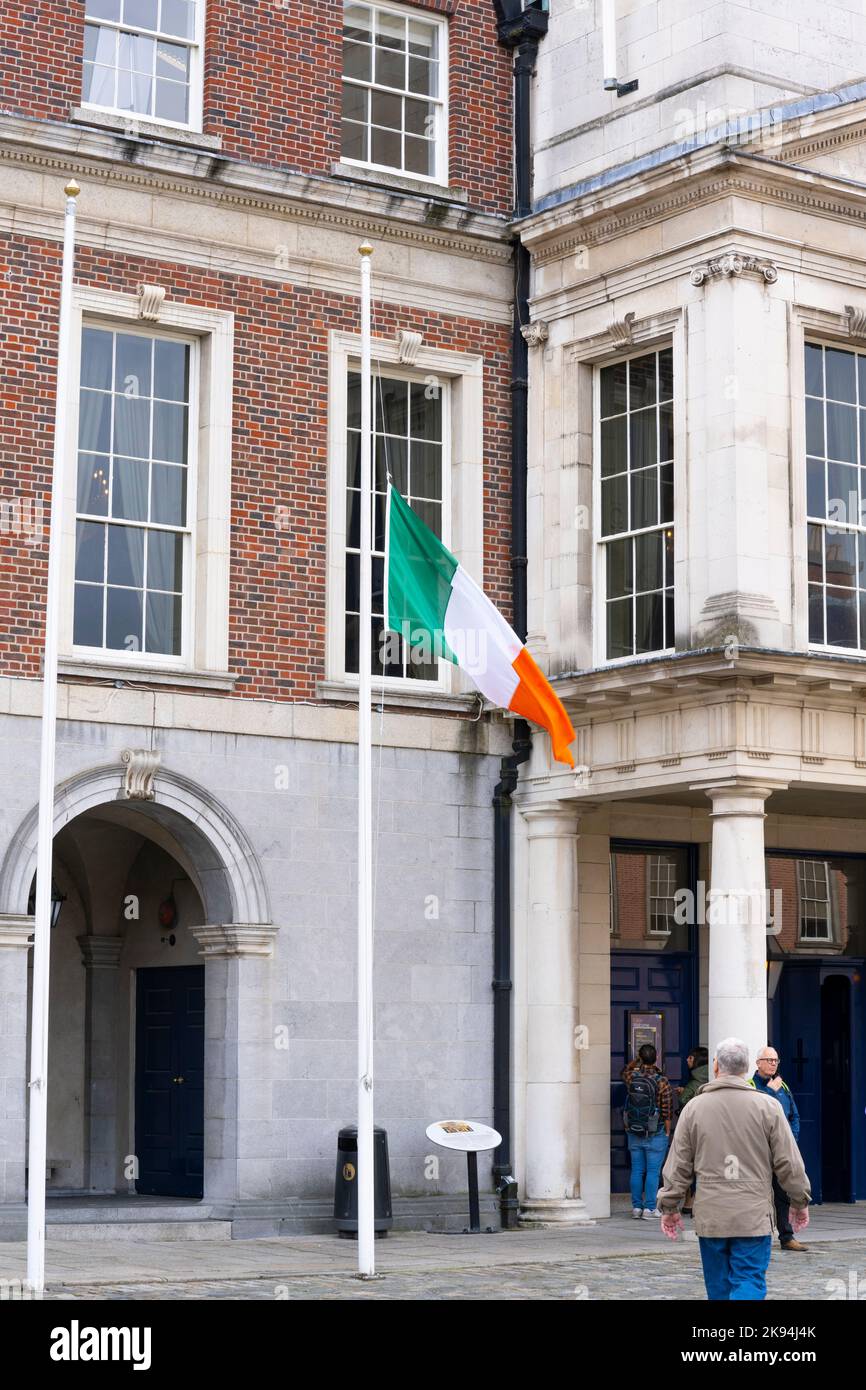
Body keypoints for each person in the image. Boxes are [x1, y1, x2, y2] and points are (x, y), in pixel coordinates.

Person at [656, 1037, 810, 1301]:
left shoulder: (694, 1108)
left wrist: (669, 1205)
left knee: (718, 1288)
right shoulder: (768, 1107)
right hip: (752, 1216)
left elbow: (679, 1164)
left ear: (716, 1067)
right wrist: (799, 1199)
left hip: (712, 1215)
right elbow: (789, 1162)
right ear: (746, 1067)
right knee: (748, 1280)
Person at [749, 1045, 806, 1252]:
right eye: (769, 1060)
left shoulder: (784, 1086)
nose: (773, 1063)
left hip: (781, 1151)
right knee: (758, 1193)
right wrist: (769, 1091)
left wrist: (791, 1140)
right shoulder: (750, 1085)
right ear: (758, 1063)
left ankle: (786, 1236)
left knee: (783, 1194)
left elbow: (794, 1116)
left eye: (776, 1060)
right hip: (760, 1150)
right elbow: (752, 1113)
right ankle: (757, 1236)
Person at [621, 1043, 673, 1220]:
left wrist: (636, 1060)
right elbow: (667, 1109)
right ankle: (650, 1208)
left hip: (634, 1130)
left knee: (637, 1170)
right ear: (656, 1058)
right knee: (652, 1171)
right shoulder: (662, 1081)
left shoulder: (631, 1076)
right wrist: (667, 1131)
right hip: (654, 1130)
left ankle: (636, 1207)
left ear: (640, 1058)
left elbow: (623, 1071)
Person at [676, 1046, 708, 1216]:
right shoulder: (710, 1078)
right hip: (709, 1130)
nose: (687, 1060)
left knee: (689, 1165)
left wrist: (683, 1092)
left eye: (690, 1057)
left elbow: (684, 1100)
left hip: (693, 1130)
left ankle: (691, 1201)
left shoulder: (695, 1081)